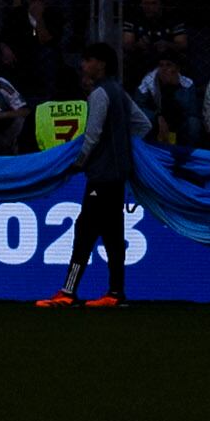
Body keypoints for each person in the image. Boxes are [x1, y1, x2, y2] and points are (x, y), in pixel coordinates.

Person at [43, 48, 139, 307]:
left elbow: (92, 135)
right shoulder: (119, 92)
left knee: (85, 232)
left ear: (101, 64)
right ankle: (116, 293)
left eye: (88, 60)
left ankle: (68, 292)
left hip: (100, 175)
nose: (83, 65)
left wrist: (78, 162)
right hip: (117, 176)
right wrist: (123, 144)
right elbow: (143, 124)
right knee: (113, 234)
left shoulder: (99, 94)